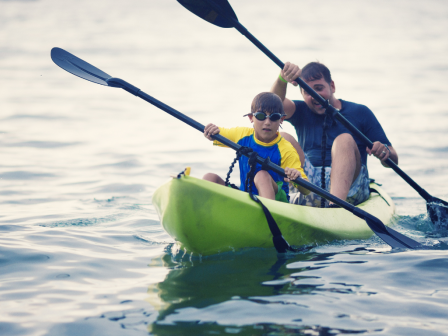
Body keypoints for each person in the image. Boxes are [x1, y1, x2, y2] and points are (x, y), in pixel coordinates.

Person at [271, 61, 398, 207]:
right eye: (307, 91)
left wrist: (384, 152)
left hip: (351, 187)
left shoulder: (360, 112)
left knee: (344, 139)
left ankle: (335, 205)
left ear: (332, 86)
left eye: (319, 88)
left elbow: (394, 160)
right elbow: (272, 105)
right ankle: (273, 196)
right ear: (301, 93)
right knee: (282, 138)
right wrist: (282, 79)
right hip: (308, 185)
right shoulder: (300, 109)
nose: (314, 95)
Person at [203, 92, 309, 202]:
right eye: (261, 116)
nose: (267, 122)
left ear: (281, 120)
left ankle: (268, 214)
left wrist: (297, 178)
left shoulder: (286, 150)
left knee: (261, 176)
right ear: (251, 118)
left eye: (274, 117)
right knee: (209, 178)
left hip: (278, 202)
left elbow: (306, 190)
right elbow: (216, 134)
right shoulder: (242, 135)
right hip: (246, 196)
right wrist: (211, 131)